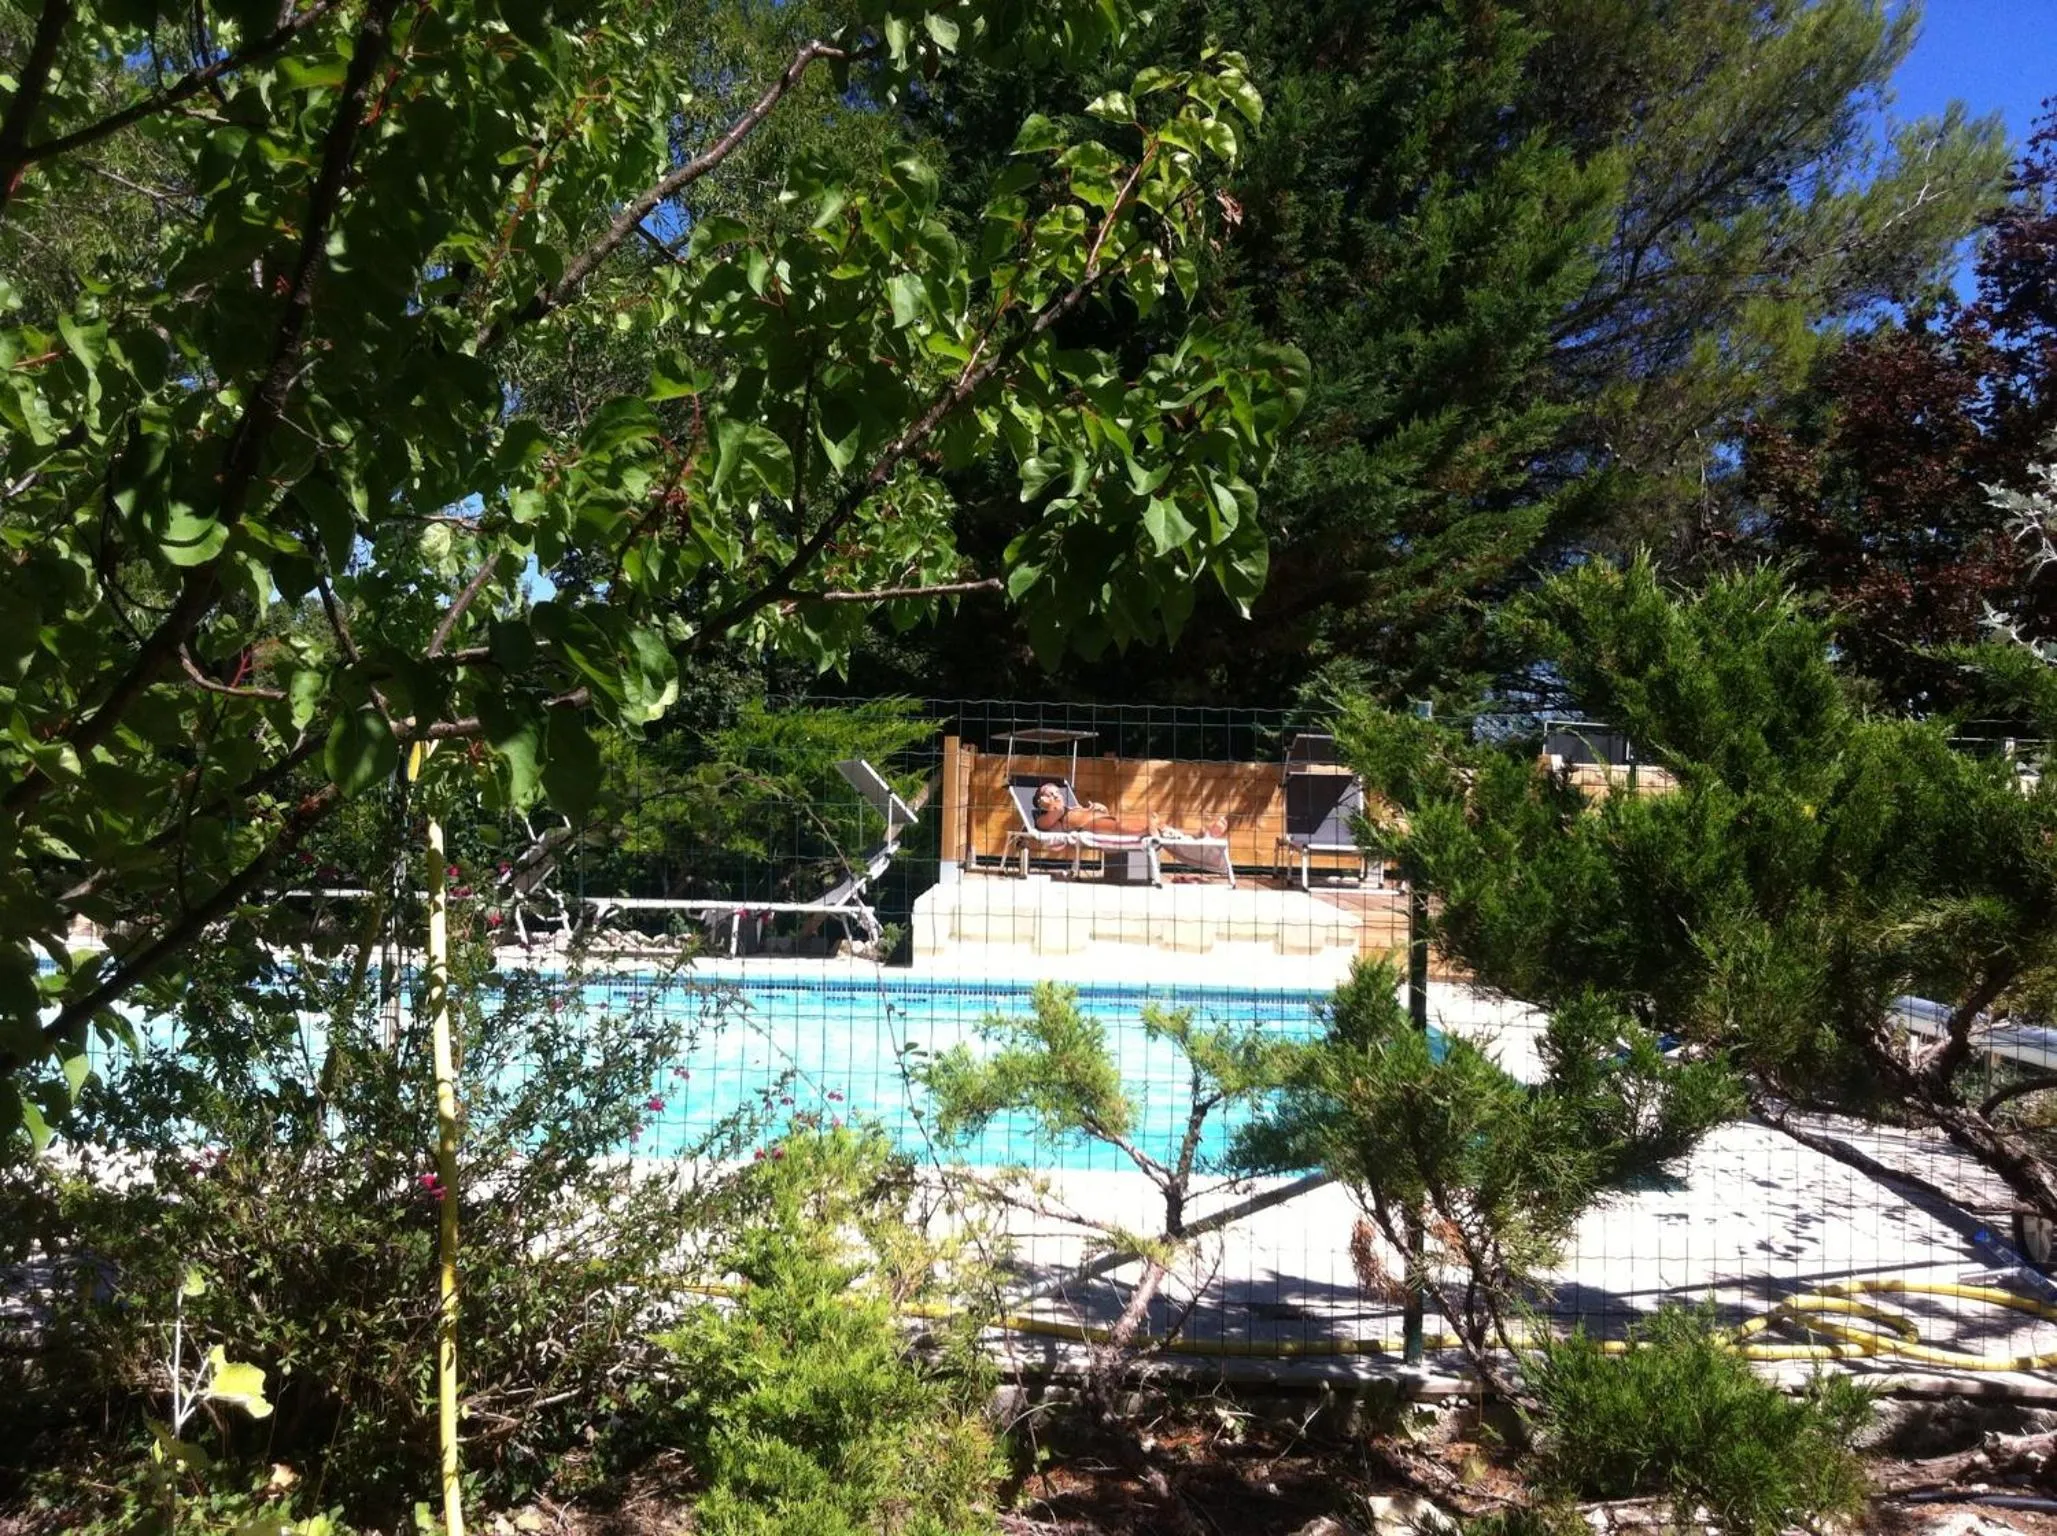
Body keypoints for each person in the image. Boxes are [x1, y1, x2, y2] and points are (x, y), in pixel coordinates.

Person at [1030, 782, 1227, 841]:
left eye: (1057, 791)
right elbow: (1050, 821)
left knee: (1155, 823)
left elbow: (1062, 807)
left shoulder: (1072, 807)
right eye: (1050, 793)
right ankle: (1152, 831)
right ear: (1041, 801)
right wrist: (1048, 805)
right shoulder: (1044, 818)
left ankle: (1198, 836)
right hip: (1089, 826)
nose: (1056, 794)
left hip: (1105, 818)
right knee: (1132, 825)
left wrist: (1099, 807)